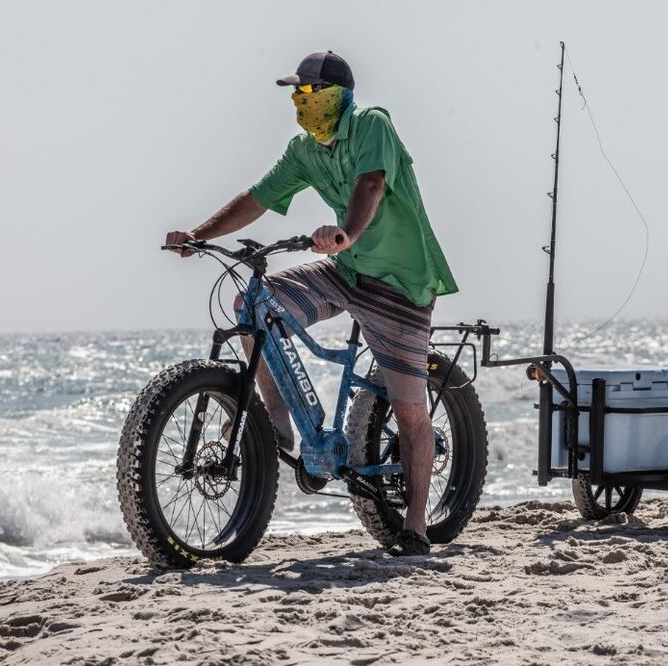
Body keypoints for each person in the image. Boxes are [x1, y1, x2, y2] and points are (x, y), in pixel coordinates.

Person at [165, 51, 457, 556]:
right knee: (255, 303)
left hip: (402, 283)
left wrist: (345, 233)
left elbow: (370, 185)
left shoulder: (371, 125)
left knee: (410, 407)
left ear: (335, 95)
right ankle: (277, 422)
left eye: (309, 92)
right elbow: (257, 197)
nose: (301, 101)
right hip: (346, 272)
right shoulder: (304, 149)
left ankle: (414, 524)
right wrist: (198, 234)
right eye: (296, 94)